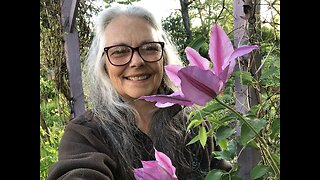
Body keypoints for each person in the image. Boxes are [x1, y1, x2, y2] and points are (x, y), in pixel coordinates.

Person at [47, 3, 232, 180]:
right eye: (119, 51)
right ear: (103, 65)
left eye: (149, 48)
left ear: (164, 58)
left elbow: (222, 171)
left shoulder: (194, 123)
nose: (137, 62)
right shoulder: (86, 135)